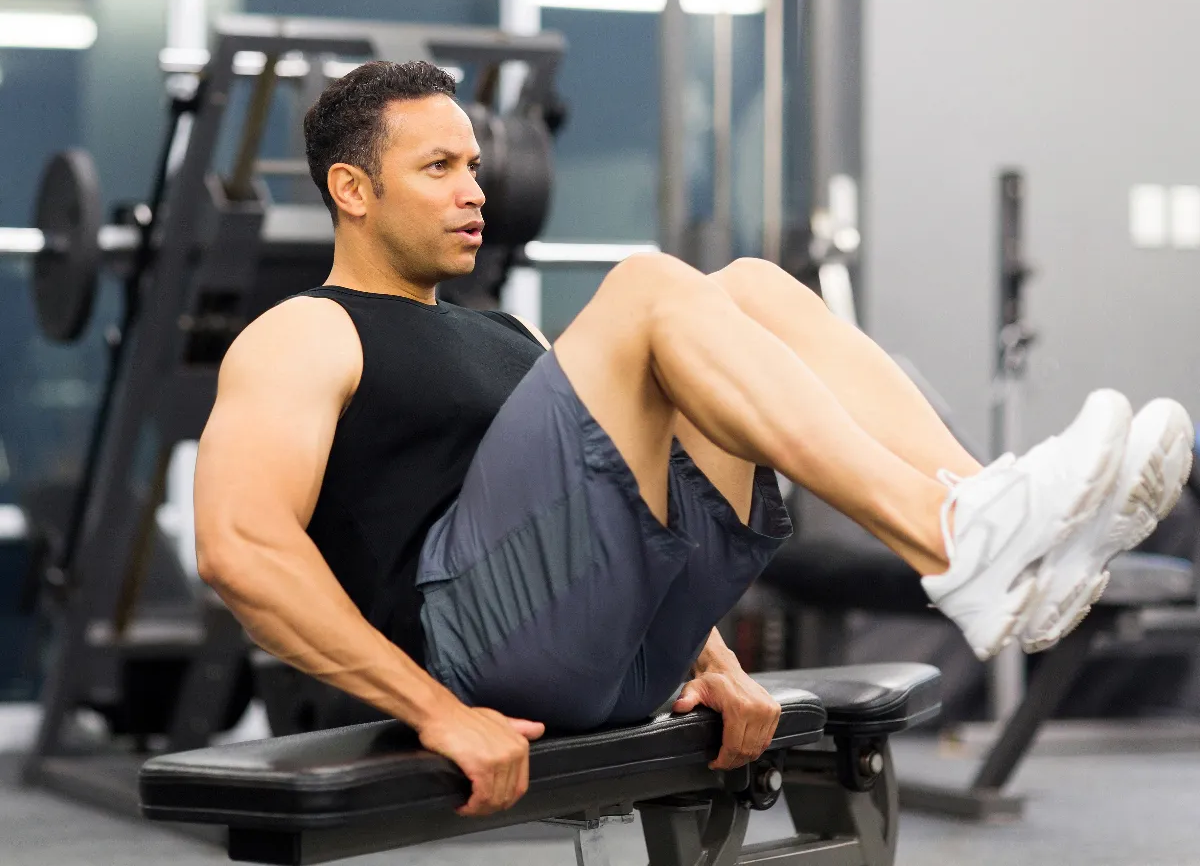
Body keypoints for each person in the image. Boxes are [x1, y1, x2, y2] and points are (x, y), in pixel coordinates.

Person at [193, 60, 1194, 818]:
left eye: (474, 165)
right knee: (647, 287)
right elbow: (241, 550)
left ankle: (998, 527)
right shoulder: (305, 331)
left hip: (615, 653)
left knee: (751, 288)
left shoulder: (503, 332)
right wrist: (433, 710)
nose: (476, 190)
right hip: (474, 653)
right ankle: (956, 542)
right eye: (439, 167)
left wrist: (711, 656)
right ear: (352, 191)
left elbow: (604, 507)